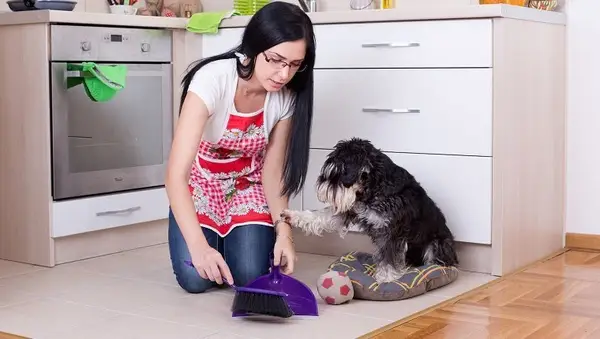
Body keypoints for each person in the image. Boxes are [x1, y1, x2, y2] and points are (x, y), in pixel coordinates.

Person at [165, 2, 316, 293]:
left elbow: (272, 173)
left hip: (247, 188)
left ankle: (228, 242)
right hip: (201, 184)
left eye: (294, 65)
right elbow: (175, 175)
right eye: (275, 60)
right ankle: (207, 238)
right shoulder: (212, 79)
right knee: (196, 280)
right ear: (255, 47)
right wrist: (198, 247)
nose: (284, 74)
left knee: (248, 274)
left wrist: (285, 235)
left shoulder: (286, 97)